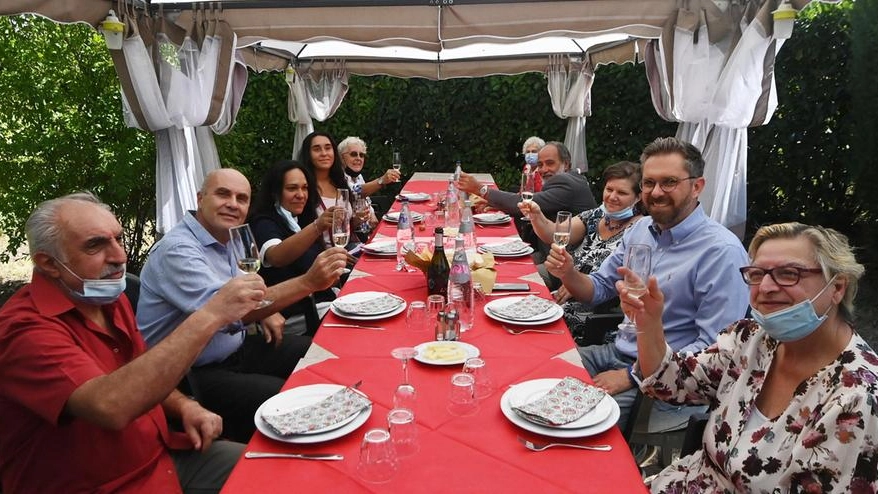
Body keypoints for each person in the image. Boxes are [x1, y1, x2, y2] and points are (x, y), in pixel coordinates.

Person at [0, 192, 261, 493]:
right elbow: (110, 405)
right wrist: (213, 313)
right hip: (105, 484)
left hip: (163, 454)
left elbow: (140, 370)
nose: (119, 256)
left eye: (118, 239)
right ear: (49, 263)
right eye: (96, 245)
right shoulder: (24, 330)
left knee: (284, 468)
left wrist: (185, 406)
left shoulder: (109, 299)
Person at [625, 222, 877, 492]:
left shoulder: (857, 397)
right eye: (757, 274)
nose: (766, 286)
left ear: (837, 287)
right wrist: (649, 323)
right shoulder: (751, 337)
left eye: (788, 273)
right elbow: (674, 383)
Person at [545, 137, 749, 429]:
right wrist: (569, 273)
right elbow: (599, 288)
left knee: (576, 423)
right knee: (539, 369)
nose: (656, 192)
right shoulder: (641, 229)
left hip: (668, 383)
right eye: (649, 183)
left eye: (668, 182)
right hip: (616, 350)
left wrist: (633, 375)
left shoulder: (721, 252)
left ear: (697, 186)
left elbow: (713, 350)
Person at [137, 168, 349, 443]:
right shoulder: (178, 250)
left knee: (324, 353)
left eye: (241, 198)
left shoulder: (231, 236)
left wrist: (265, 310)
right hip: (190, 376)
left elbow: (249, 289)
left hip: (237, 347)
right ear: (200, 198)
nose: (233, 204)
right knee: (293, 400)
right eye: (223, 194)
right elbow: (228, 313)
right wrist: (308, 283)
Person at [520, 161, 642, 339]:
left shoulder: (639, 230)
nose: (612, 196)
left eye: (622, 192)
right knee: (521, 281)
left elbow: (615, 285)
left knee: (527, 327)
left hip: (592, 310)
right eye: (609, 189)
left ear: (638, 197)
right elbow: (555, 233)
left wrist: (576, 281)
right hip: (562, 284)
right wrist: (536, 215)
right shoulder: (596, 215)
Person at [457, 141, 597, 262]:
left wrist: (481, 189)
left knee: (498, 266)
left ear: (566, 164)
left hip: (564, 264)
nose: (543, 169)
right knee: (490, 260)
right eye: (540, 165)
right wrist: (494, 203)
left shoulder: (566, 183)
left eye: (550, 163)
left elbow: (524, 203)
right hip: (548, 255)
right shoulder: (571, 180)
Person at [249, 160, 341, 334]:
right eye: (292, 188)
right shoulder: (264, 222)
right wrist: (316, 227)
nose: (301, 194)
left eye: (305, 188)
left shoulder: (299, 219)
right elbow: (276, 256)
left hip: (325, 301)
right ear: (276, 192)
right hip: (299, 314)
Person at [299, 131, 365, 246]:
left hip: (348, 249)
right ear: (308, 154)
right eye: (317, 149)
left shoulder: (340, 183)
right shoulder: (304, 188)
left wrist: (356, 220)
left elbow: (343, 228)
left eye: (328, 148)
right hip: (321, 256)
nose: (324, 153)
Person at [338, 136, 400, 240]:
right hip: (352, 238)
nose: (358, 158)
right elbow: (356, 191)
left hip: (368, 232)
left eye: (361, 155)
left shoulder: (357, 176)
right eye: (353, 154)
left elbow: (365, 198)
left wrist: (372, 213)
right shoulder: (339, 177)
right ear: (341, 157)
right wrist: (381, 181)